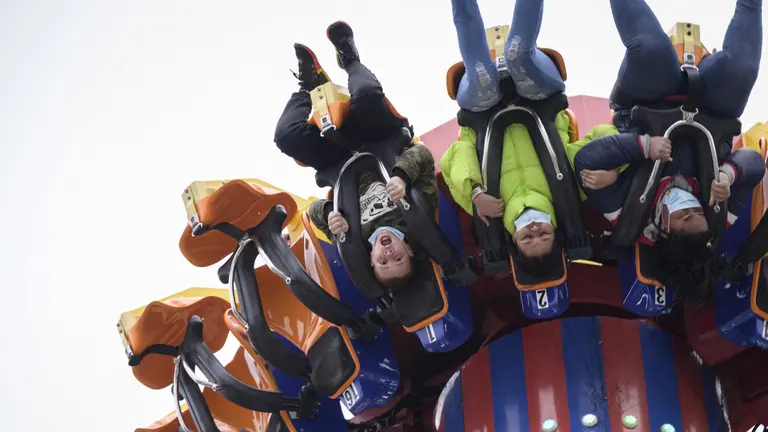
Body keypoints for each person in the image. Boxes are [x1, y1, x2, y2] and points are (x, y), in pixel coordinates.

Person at [574, 0, 765, 301]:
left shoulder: (626, 214)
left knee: (650, 49)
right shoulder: (717, 216)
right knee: (743, 67)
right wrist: (729, 175)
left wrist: (643, 147)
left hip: (649, 101)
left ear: (662, 229)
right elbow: (754, 164)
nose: (691, 206)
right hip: (711, 109)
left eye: (684, 216)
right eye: (697, 212)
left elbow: (584, 160)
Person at [442, 0, 620, 275]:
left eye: (528, 238)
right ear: (555, 232)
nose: (535, 231)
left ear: (514, 239)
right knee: (517, 54)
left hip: (483, 106)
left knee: (480, 73)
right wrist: (614, 173)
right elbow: (606, 137)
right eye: (544, 236)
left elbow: (455, 155)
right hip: (537, 95)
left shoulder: (483, 208)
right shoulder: (574, 188)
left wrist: (476, 192)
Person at [273, 21, 407, 171]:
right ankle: (336, 70)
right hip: (356, 135)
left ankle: (317, 80)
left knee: (285, 135)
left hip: (355, 142)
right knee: (366, 92)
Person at [308, 141, 438, 291]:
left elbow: (313, 211)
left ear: (371, 259)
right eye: (398, 259)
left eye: (383, 262)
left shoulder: (352, 243)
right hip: (376, 142)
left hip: (339, 164)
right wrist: (401, 177)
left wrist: (330, 213)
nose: (389, 253)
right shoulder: (419, 219)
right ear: (409, 250)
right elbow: (423, 153)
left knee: (287, 138)